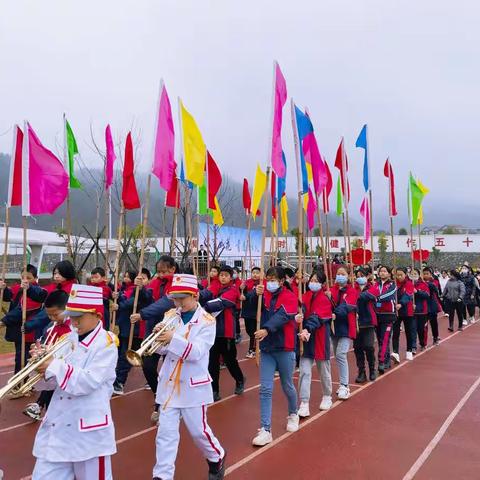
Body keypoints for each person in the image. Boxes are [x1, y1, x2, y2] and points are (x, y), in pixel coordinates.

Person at [31, 284, 118, 480]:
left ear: (97, 315)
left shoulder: (107, 343)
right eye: (72, 316)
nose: (74, 322)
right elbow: (53, 383)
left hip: (89, 433)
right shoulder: (67, 339)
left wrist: (54, 365)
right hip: (58, 427)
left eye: (80, 317)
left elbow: (88, 381)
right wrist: (41, 368)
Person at [151, 274, 226, 480]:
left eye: (182, 298)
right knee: (165, 434)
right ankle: (162, 475)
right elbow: (162, 352)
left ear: (194, 296)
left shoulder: (207, 321)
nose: (178, 303)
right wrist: (159, 340)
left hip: (193, 385)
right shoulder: (170, 315)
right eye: (175, 298)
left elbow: (196, 353)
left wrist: (171, 339)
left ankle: (216, 456)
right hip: (168, 385)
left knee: (198, 432)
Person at [250, 267, 299, 446]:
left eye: (273, 279)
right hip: (267, 348)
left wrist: (267, 329)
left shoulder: (290, 296)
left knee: (287, 385)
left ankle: (293, 413)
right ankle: (265, 429)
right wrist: (253, 295)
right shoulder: (262, 294)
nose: (269, 282)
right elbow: (248, 309)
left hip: (285, 347)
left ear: (281, 281)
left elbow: (284, 316)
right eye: (267, 278)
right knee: (265, 388)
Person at [131, 255, 177, 422]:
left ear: (172, 269)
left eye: (164, 271)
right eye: (158, 272)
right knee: (148, 366)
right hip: (153, 329)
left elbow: (165, 303)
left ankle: (163, 406)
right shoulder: (155, 283)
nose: (160, 275)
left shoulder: (177, 283)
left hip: (171, 330)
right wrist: (140, 288)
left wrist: (142, 314)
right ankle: (159, 395)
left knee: (169, 371)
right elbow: (147, 299)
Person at [23, 290, 72, 421]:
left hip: (66, 376)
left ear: (67, 309)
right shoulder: (51, 327)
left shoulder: (74, 329)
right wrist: (38, 350)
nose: (52, 319)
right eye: (49, 315)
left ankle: (41, 406)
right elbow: (44, 341)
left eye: (55, 315)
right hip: (51, 374)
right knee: (52, 408)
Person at [201, 266, 245, 402]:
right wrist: (197, 295)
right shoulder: (214, 288)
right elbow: (205, 294)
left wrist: (201, 307)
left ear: (231, 277)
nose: (223, 277)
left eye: (226, 275)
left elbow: (221, 303)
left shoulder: (233, 290)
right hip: (211, 331)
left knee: (230, 360)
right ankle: (214, 390)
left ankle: (239, 379)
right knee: (212, 363)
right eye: (221, 275)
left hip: (226, 332)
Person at [297, 270, 333, 417]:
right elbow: (298, 307)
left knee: (323, 369)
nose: (313, 283)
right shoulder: (303, 296)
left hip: (319, 337)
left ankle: (327, 395)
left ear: (323, 284)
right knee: (304, 371)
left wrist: (307, 328)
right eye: (311, 280)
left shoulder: (325, 299)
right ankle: (304, 402)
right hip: (305, 338)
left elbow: (317, 317)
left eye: (317, 281)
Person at [112, 268, 154, 395]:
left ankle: (153, 380)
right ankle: (119, 382)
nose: (141, 281)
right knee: (124, 356)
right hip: (128, 327)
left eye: (144, 278)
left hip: (142, 330)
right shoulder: (130, 290)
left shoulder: (148, 292)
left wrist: (120, 303)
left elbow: (141, 299)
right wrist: (116, 298)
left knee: (147, 361)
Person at [0, 264, 46, 376]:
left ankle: (20, 384)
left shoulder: (38, 292)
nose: (25, 280)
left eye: (28, 278)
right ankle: (19, 384)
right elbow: (9, 296)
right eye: (23, 277)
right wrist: (3, 288)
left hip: (29, 332)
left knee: (24, 359)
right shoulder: (18, 287)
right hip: (18, 331)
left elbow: (23, 310)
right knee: (19, 358)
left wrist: (4, 321)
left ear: (35, 278)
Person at [328, 266, 358, 398]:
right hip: (333, 328)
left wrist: (335, 313)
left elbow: (346, 306)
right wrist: (328, 298)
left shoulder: (352, 291)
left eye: (343, 273)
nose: (340, 276)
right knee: (336, 354)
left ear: (348, 276)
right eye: (338, 273)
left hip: (346, 327)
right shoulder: (330, 290)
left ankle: (344, 385)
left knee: (340, 354)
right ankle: (342, 383)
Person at [353, 268, 379, 383]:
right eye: (357, 275)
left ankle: (372, 369)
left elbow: (369, 296)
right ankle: (361, 371)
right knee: (358, 348)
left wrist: (356, 295)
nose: (359, 277)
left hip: (368, 322)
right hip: (356, 322)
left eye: (361, 275)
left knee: (369, 346)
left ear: (367, 276)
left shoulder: (373, 287)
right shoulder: (353, 288)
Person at [374, 265, 397, 374]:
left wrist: (377, 297)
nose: (382, 273)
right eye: (381, 271)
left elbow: (389, 295)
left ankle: (381, 361)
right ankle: (386, 358)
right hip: (377, 315)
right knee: (380, 340)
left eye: (384, 271)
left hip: (388, 315)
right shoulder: (375, 284)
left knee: (385, 339)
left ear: (389, 273)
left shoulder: (392, 285)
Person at [393, 268, 415, 361]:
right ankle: (395, 352)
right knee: (395, 332)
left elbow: (408, 295)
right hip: (396, 311)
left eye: (401, 275)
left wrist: (401, 303)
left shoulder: (409, 284)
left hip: (407, 311)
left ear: (405, 274)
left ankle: (409, 351)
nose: (399, 277)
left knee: (408, 331)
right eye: (397, 275)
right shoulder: (394, 284)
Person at [240, 267, 262, 358]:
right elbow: (242, 294)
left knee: (253, 331)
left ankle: (252, 349)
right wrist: (241, 289)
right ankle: (257, 344)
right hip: (247, 310)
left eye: (257, 273)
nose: (255, 274)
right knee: (249, 330)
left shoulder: (262, 283)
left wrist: (247, 295)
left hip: (256, 310)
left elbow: (254, 294)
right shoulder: (247, 282)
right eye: (253, 273)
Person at [411, 268, 431, 351]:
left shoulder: (423, 284)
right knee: (412, 329)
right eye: (411, 274)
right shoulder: (409, 284)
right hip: (412, 311)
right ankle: (413, 346)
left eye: (415, 274)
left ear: (419, 275)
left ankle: (423, 343)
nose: (413, 275)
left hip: (422, 311)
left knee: (421, 329)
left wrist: (417, 292)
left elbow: (427, 295)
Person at [423, 267, 443, 345]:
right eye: (424, 274)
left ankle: (435, 337)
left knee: (434, 323)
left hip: (431, 305)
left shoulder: (433, 282)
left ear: (430, 274)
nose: (425, 275)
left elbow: (436, 290)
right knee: (424, 324)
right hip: (423, 305)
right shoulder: (420, 282)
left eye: (427, 274)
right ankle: (423, 341)